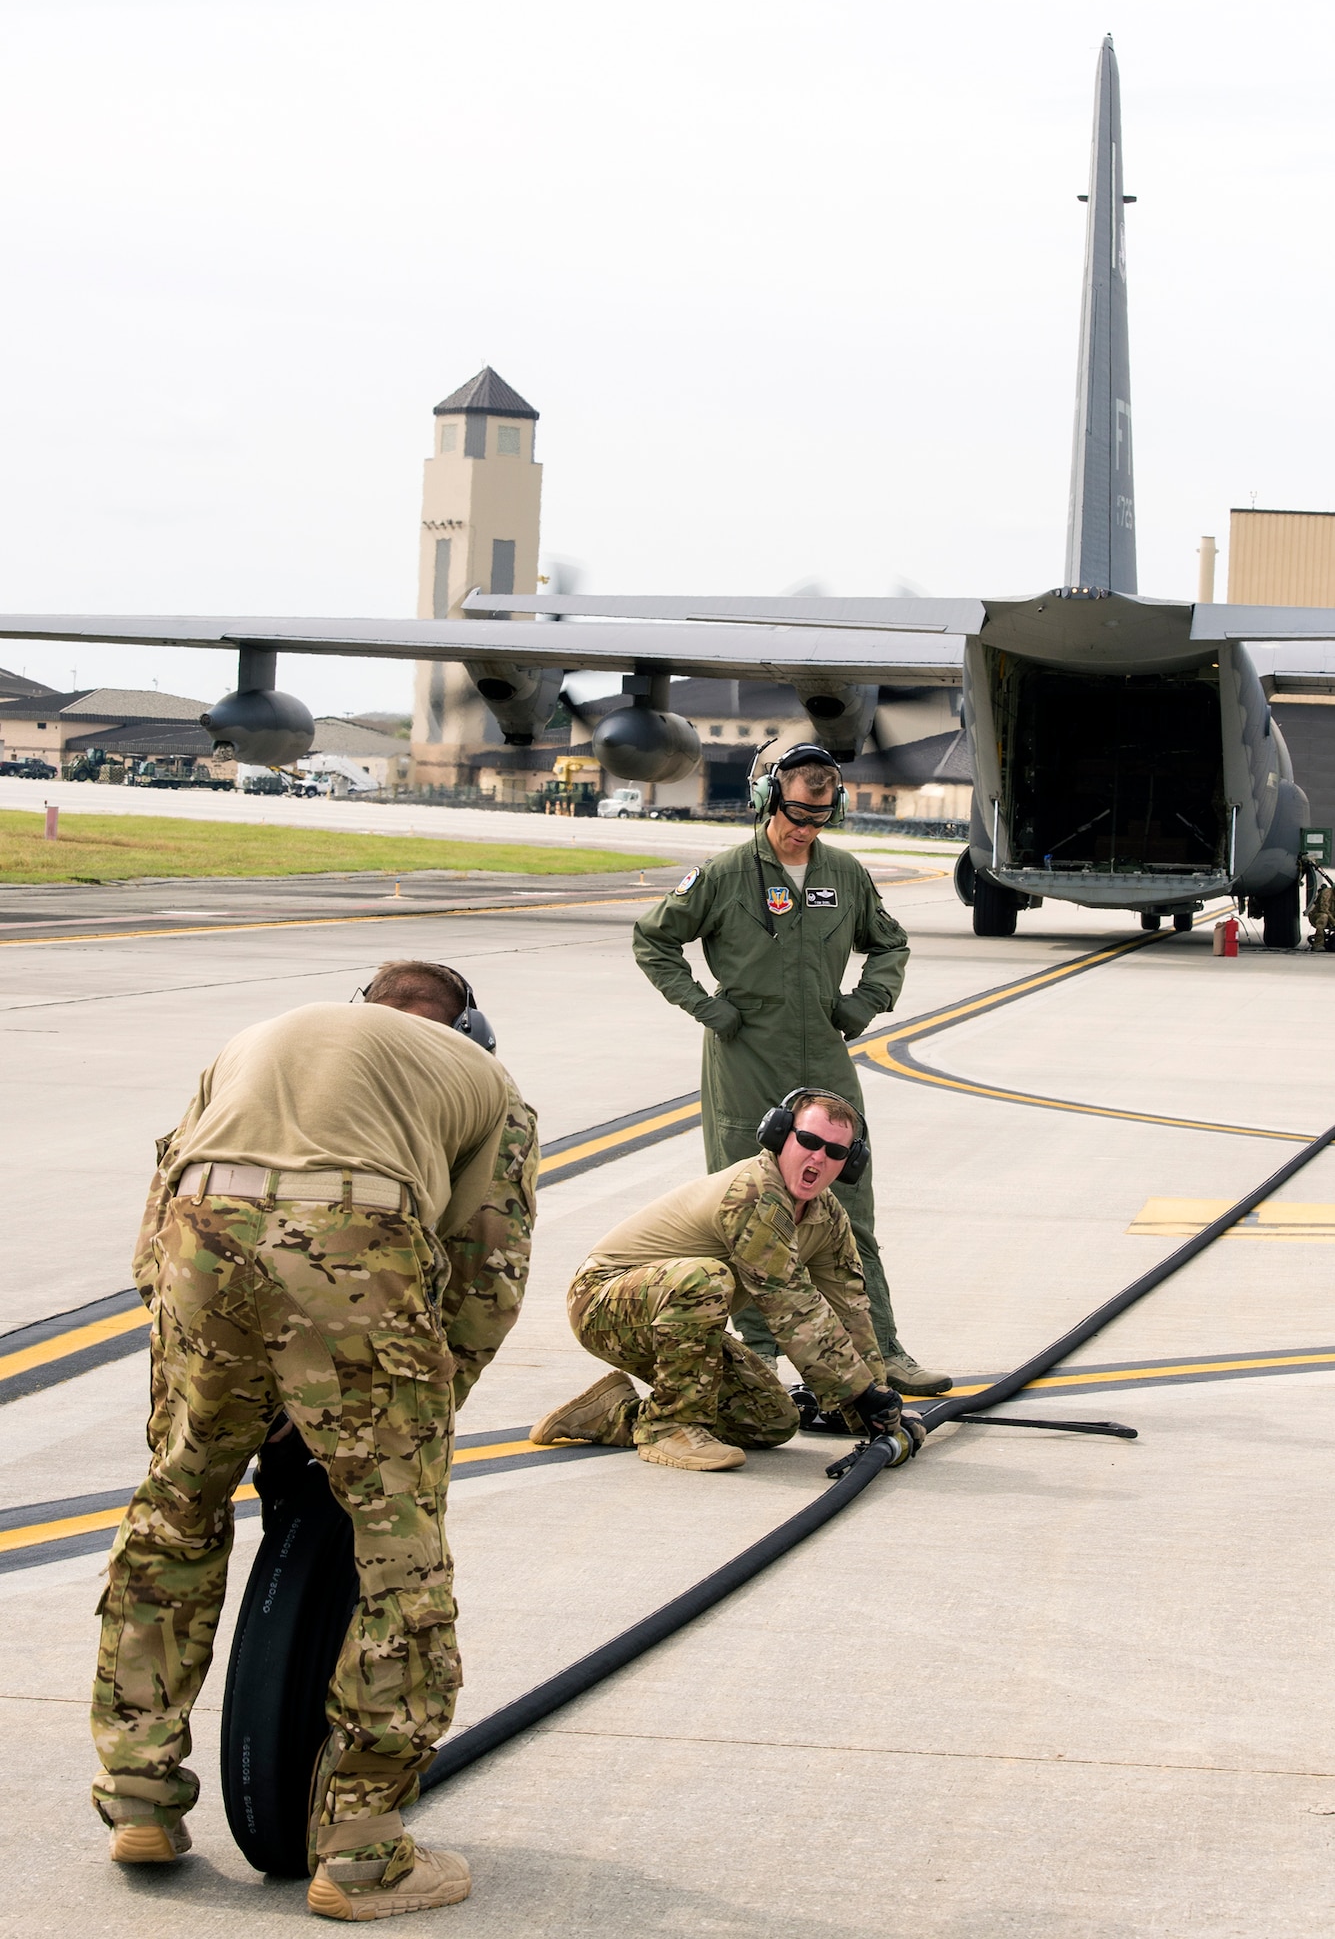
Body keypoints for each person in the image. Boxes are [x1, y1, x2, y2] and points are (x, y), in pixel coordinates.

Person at [89, 960, 539, 1923]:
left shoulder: (259, 1036)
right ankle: (363, 1854)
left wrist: (207, 1386)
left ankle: (140, 1799)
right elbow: (487, 1275)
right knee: (399, 1559)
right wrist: (401, 1424)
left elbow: (155, 1218)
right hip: (356, 1229)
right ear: (471, 1031)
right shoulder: (487, 1082)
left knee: (176, 1509)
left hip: (200, 1232)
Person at [632, 739, 952, 1397]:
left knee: (848, 1202)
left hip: (823, 1051)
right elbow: (654, 938)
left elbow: (889, 941)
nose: (806, 832)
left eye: (820, 819)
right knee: (747, 1206)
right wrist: (706, 1009)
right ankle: (757, 1359)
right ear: (766, 801)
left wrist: (864, 1003)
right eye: (797, 817)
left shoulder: (843, 873)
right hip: (746, 1052)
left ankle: (880, 1349)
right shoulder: (723, 874)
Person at [530, 1090, 924, 1470]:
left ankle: (610, 1413)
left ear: (849, 1163)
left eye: (835, 1151)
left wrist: (879, 1411)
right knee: (707, 1278)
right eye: (807, 1140)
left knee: (768, 1421)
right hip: (602, 1302)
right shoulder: (753, 1193)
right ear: (780, 1136)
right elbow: (791, 1305)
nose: (818, 1157)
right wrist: (859, 1392)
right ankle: (671, 1427)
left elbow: (851, 1311)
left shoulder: (828, 1219)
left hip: (679, 1320)